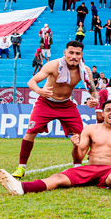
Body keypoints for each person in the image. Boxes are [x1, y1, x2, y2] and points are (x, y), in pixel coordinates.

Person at [0, 100, 111, 197]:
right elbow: (78, 158)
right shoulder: (91, 129)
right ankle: (22, 188)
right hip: (89, 168)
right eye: (108, 110)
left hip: (110, 169)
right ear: (103, 113)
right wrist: (75, 147)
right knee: (58, 177)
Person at [11, 41, 99, 179]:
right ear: (65, 53)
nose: (74, 56)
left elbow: (93, 90)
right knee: (31, 131)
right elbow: (31, 82)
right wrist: (40, 91)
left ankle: (77, 166)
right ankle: (22, 167)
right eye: (71, 52)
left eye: (77, 53)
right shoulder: (53, 65)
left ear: (82, 55)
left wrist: (94, 100)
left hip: (66, 105)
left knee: (81, 135)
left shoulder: (85, 70)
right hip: (45, 103)